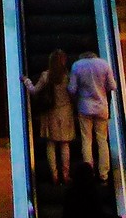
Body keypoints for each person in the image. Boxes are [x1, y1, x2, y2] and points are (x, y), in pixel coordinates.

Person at [24, 49, 76, 183]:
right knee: (65, 144)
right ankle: (65, 174)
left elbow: (34, 91)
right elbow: (73, 93)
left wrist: (26, 81)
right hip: (66, 112)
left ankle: (54, 175)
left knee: (51, 144)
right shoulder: (68, 76)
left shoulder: (46, 76)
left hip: (50, 113)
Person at [67, 46, 116, 181]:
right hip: (101, 107)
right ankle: (103, 173)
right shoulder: (104, 64)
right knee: (102, 140)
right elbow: (113, 86)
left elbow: (72, 89)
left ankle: (88, 172)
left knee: (86, 140)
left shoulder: (77, 65)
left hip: (84, 107)